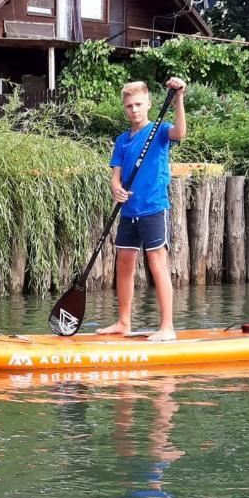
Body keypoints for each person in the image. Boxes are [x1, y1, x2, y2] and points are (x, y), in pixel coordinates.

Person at [97, 77, 187, 342]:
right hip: (128, 210)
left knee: (156, 262)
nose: (134, 109)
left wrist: (179, 97)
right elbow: (116, 175)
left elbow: (180, 133)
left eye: (138, 104)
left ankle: (167, 327)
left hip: (153, 207)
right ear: (124, 108)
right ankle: (123, 322)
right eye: (129, 106)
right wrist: (116, 189)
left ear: (148, 103)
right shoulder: (121, 140)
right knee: (124, 264)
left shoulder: (160, 130)